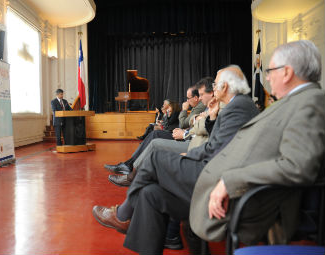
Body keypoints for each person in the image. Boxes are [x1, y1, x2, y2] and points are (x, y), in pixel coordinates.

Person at [92, 65, 259, 254]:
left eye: (215, 84)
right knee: (150, 193)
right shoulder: (237, 106)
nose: (213, 88)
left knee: (155, 157)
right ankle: (129, 217)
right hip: (212, 169)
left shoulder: (237, 108)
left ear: (225, 87)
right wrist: (212, 117)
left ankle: (122, 214)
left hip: (214, 178)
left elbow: (215, 150)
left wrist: (189, 154)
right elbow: (219, 143)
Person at [190, 40, 325, 246]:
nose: (267, 77)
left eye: (270, 71)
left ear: (287, 72)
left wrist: (230, 181)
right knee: (153, 191)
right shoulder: (296, 100)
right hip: (238, 186)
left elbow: (297, 166)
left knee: (157, 183)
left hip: (255, 200)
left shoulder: (311, 102)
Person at [108, 77, 215, 187]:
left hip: (193, 143)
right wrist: (193, 122)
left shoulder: (205, 106)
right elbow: (194, 123)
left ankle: (131, 176)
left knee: (155, 141)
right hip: (188, 136)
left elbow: (187, 123)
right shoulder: (207, 106)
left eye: (189, 98)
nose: (187, 101)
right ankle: (130, 167)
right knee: (153, 132)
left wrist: (185, 129)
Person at [104, 100, 181, 175]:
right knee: (152, 132)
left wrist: (180, 112)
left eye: (168, 107)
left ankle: (129, 165)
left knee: (155, 133)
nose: (165, 107)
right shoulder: (170, 114)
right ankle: (129, 164)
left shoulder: (177, 113)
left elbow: (171, 123)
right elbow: (168, 124)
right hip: (173, 133)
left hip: (176, 135)